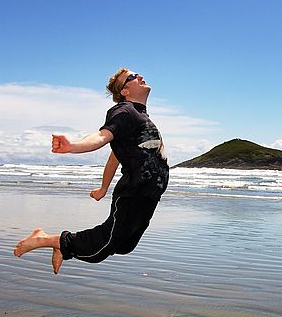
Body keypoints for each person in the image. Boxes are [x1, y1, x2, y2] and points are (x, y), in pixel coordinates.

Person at [13, 68, 169, 274]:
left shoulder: (140, 116)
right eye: (132, 77)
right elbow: (102, 136)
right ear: (124, 91)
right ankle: (46, 239)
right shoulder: (125, 111)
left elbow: (115, 155)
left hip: (148, 195)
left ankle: (61, 246)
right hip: (134, 193)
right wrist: (73, 146)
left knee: (124, 245)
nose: (140, 76)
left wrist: (104, 187)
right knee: (100, 248)